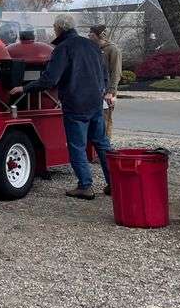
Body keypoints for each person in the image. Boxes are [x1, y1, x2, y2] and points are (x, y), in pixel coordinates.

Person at [10, 12, 114, 200]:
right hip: (95, 102)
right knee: (102, 143)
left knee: (77, 146)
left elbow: (50, 79)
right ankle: (114, 183)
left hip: (75, 103)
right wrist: (102, 91)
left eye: (54, 28)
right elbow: (104, 73)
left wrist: (24, 88)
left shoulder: (62, 48)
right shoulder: (92, 45)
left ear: (58, 28)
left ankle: (85, 186)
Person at [89, 24, 122, 139]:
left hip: (107, 92)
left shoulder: (113, 49)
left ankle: (106, 149)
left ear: (99, 35)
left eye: (91, 34)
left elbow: (116, 73)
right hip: (94, 91)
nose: (89, 35)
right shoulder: (92, 49)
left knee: (105, 121)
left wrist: (111, 92)